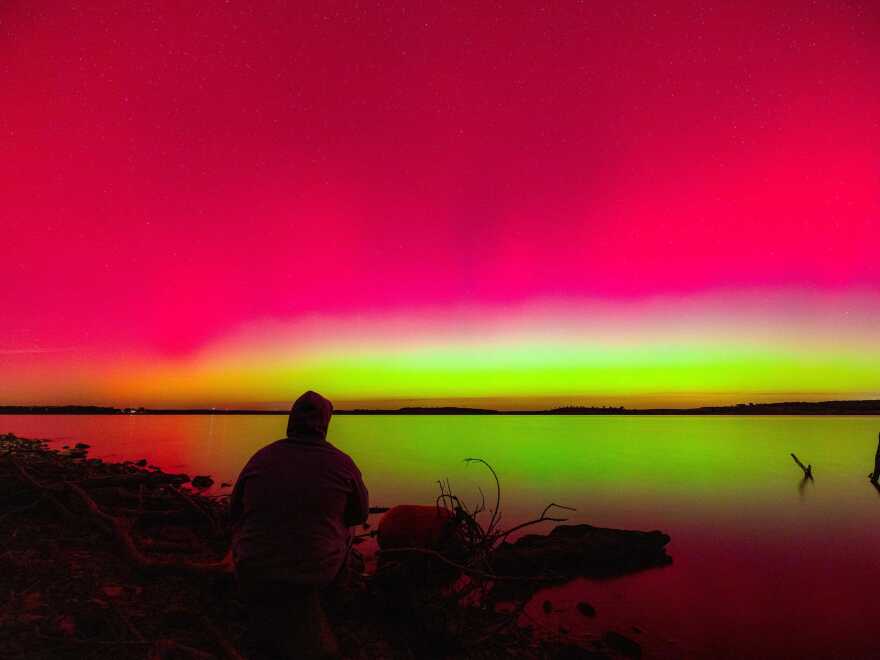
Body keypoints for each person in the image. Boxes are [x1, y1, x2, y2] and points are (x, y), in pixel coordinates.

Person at [230, 390, 369, 659]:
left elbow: (234, 512)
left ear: (290, 420)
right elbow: (359, 516)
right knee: (348, 528)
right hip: (315, 575)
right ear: (326, 425)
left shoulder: (261, 457)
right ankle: (331, 597)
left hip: (253, 570)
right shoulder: (343, 463)